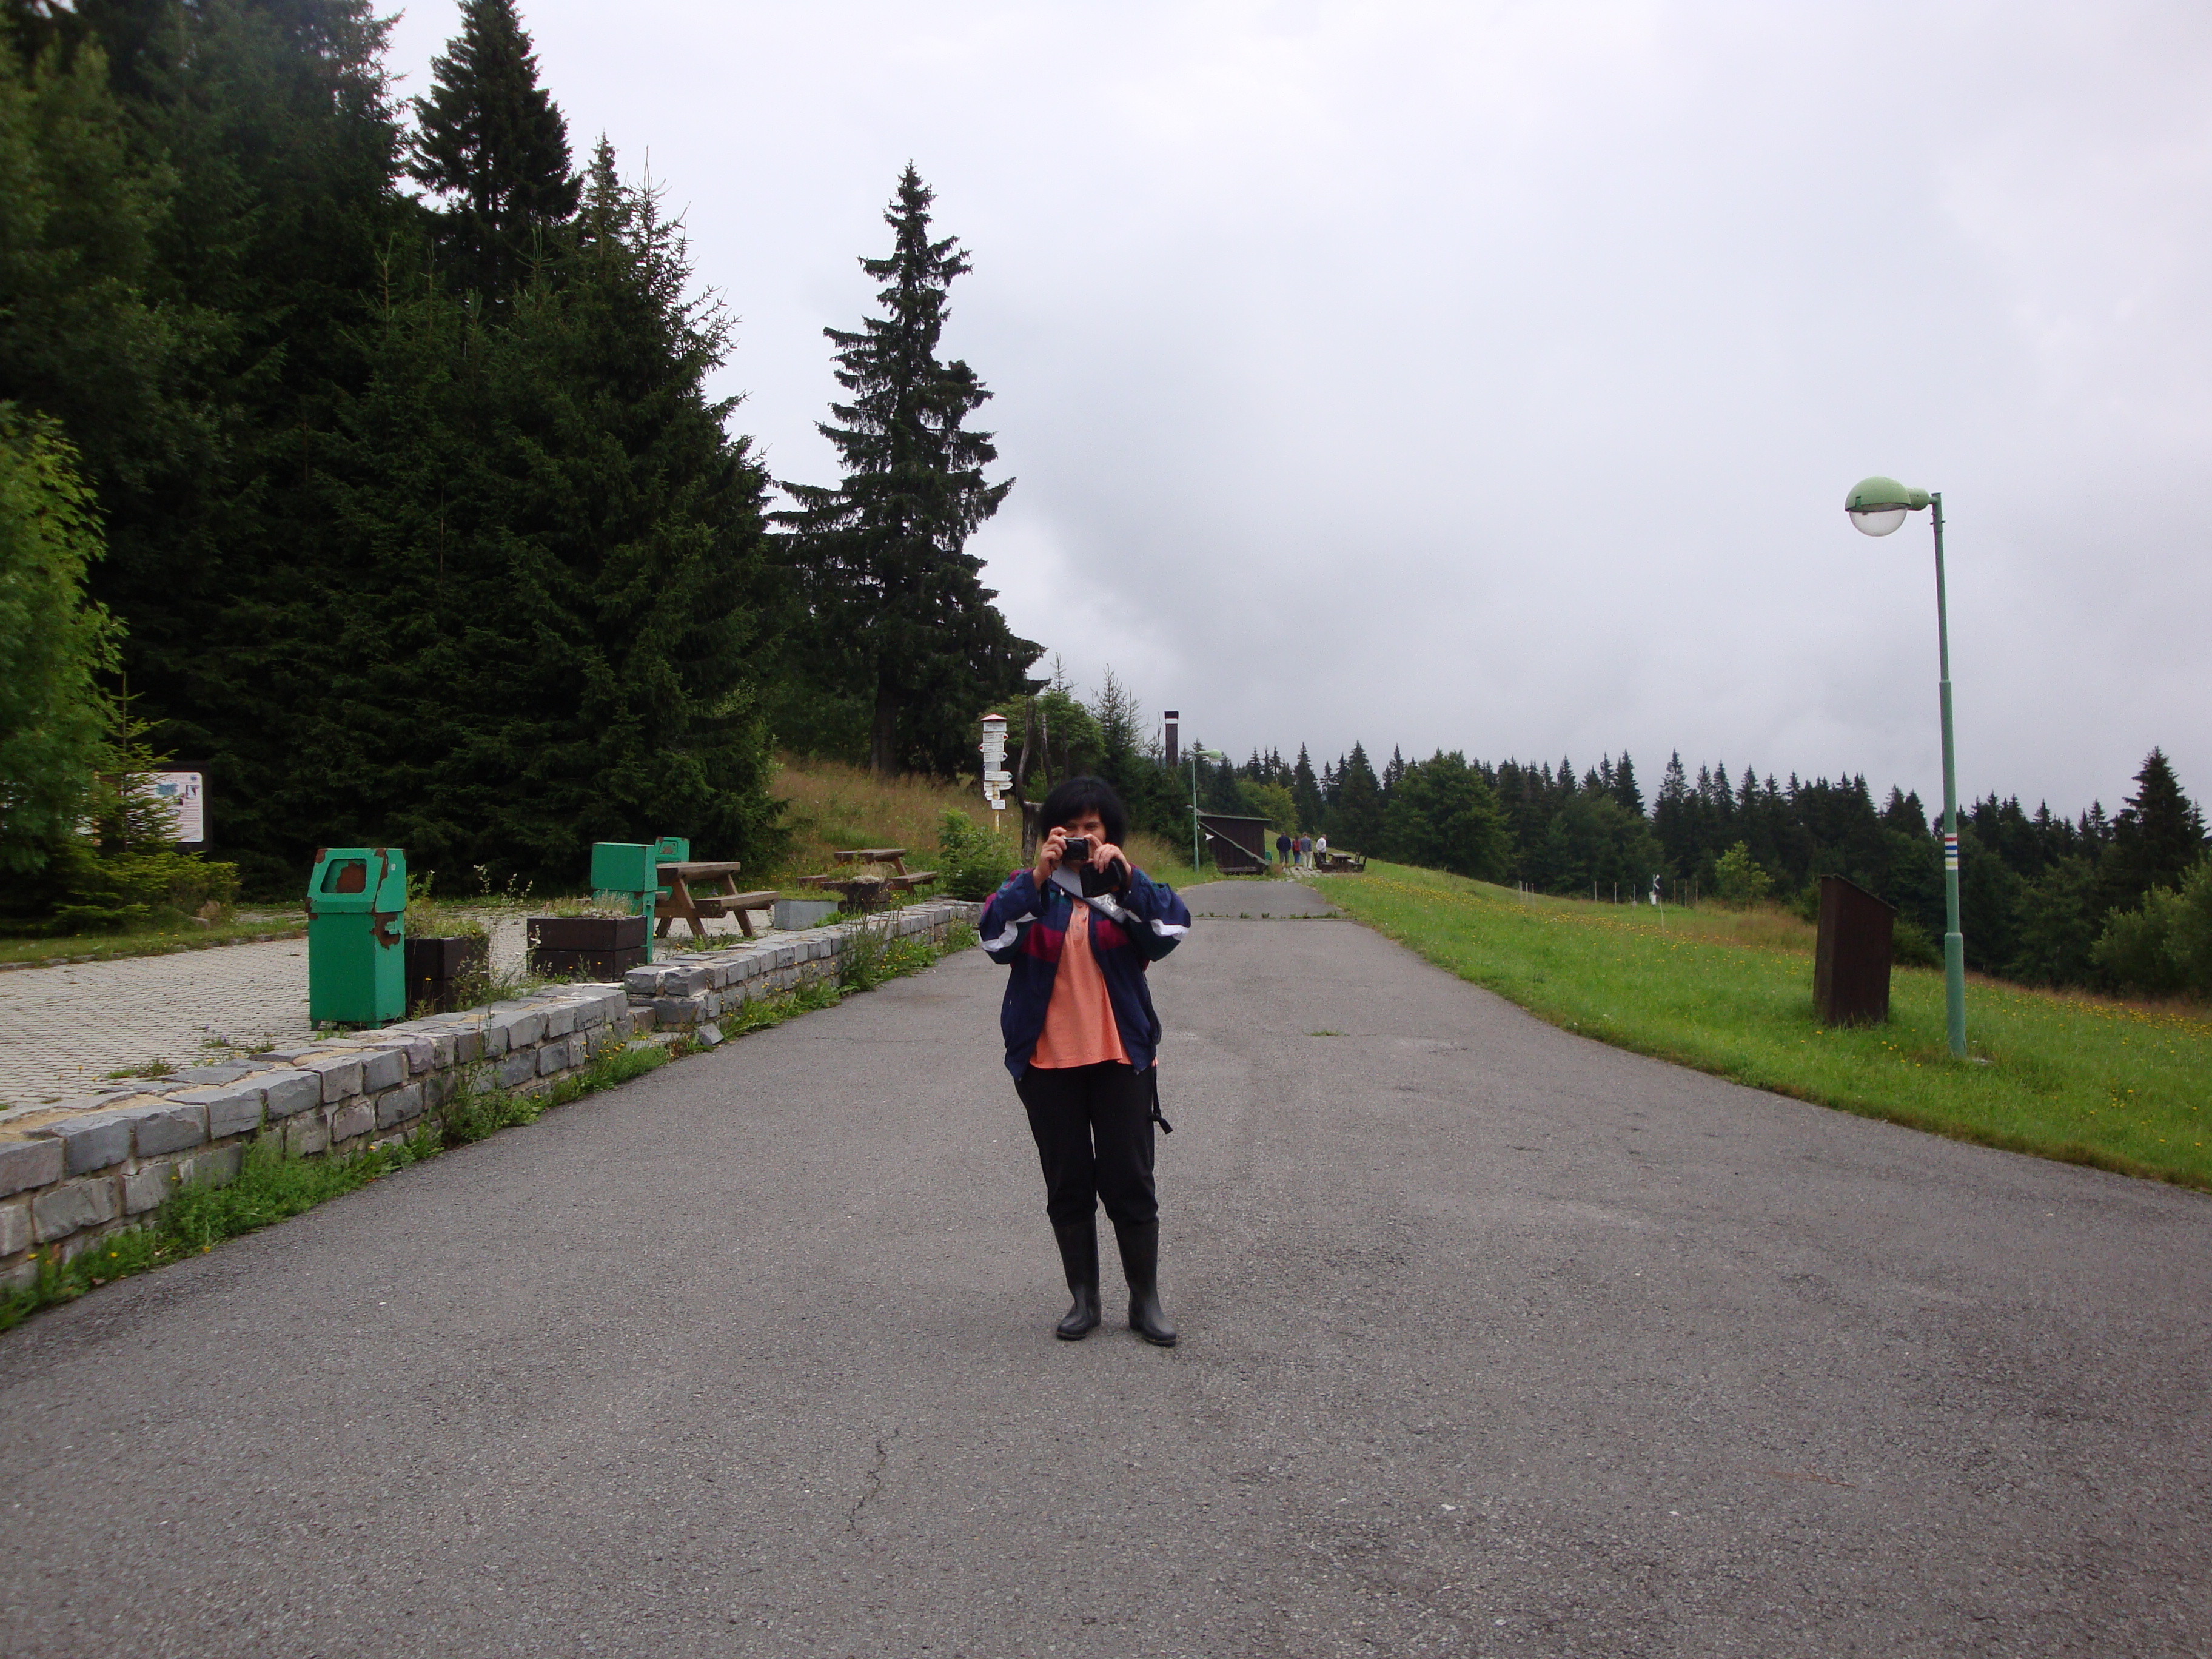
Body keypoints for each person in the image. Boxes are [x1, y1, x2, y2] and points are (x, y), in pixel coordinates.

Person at [979, 778, 1193, 1344]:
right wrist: (1036, 877)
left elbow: (1171, 928)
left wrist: (1127, 876)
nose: (1080, 838)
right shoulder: (1033, 890)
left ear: (1109, 833)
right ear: (1050, 834)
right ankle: (1084, 1300)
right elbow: (994, 941)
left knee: (1130, 1180)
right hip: (1046, 1061)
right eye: (1069, 829)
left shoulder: (1124, 887)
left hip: (1120, 1055)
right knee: (1068, 1181)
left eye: (1091, 828)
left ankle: (1145, 1302)